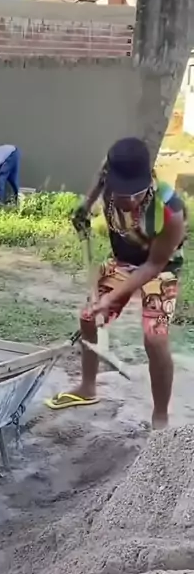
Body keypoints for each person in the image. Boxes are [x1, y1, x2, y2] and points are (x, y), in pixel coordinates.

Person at [46, 137, 186, 429]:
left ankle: (160, 416)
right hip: (123, 261)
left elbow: (152, 266)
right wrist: (85, 206)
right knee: (88, 317)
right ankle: (87, 388)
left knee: (155, 338)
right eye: (123, 194)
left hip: (160, 268)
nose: (130, 201)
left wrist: (111, 297)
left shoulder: (170, 211)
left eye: (137, 193)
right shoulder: (108, 179)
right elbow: (100, 178)